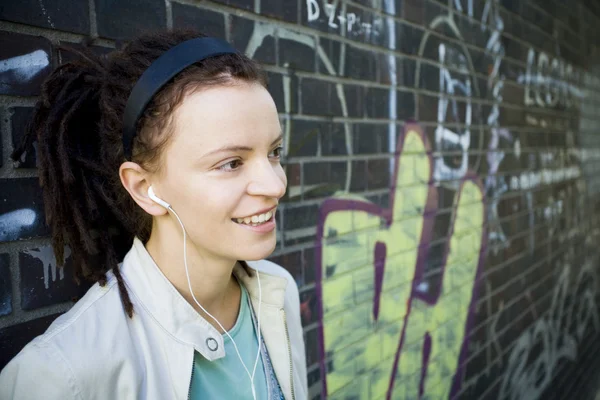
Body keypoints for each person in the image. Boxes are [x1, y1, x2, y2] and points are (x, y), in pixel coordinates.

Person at [0, 29, 307, 400]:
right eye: (231, 163)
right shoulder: (63, 377)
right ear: (145, 187)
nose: (274, 185)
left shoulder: (276, 293)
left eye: (274, 152)